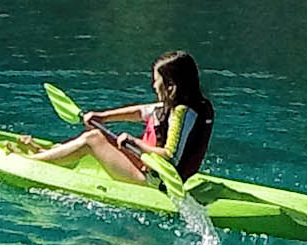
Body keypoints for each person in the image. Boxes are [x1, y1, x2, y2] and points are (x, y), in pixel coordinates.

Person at [29, 51, 214, 186]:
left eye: (156, 80)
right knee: (98, 135)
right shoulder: (190, 105)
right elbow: (143, 112)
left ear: (171, 85)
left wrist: (135, 142)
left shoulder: (183, 113)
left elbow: (171, 156)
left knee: (92, 139)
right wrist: (102, 117)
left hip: (156, 182)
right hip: (150, 168)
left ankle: (33, 162)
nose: (153, 85)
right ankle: (48, 152)